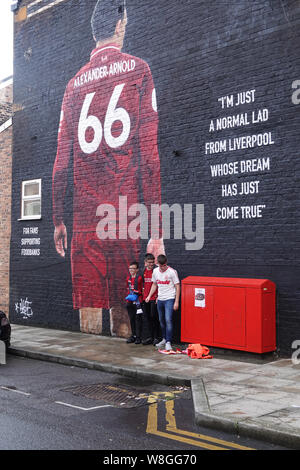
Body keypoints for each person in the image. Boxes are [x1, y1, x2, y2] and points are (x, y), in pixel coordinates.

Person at [52, 0, 164, 337]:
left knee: (87, 308)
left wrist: (58, 218)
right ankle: (123, 365)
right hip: (121, 216)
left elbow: (60, 165)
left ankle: (79, 384)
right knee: (123, 310)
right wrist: (156, 230)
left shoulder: (72, 86)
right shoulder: (139, 70)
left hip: (85, 218)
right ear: (119, 25)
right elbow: (150, 157)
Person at [145, 254, 180, 351]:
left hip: (170, 298)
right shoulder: (155, 271)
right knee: (161, 320)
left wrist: (176, 301)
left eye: (164, 265)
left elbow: (177, 286)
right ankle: (164, 339)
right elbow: (154, 284)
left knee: (168, 319)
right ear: (158, 264)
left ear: (166, 263)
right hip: (160, 299)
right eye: (161, 266)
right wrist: (149, 296)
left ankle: (168, 342)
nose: (163, 268)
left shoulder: (172, 272)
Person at [141, 253, 161, 345]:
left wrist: (158, 296)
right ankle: (150, 337)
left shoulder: (156, 271)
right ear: (145, 262)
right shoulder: (143, 272)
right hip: (146, 299)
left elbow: (159, 284)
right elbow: (142, 285)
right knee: (147, 318)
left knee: (154, 317)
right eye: (149, 262)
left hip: (154, 298)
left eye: (152, 262)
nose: (151, 264)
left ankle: (157, 337)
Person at [125, 262, 143, 344]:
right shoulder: (128, 278)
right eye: (130, 268)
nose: (131, 270)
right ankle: (133, 335)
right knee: (131, 319)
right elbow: (128, 289)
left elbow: (142, 290)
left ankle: (139, 337)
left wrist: (137, 293)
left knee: (138, 319)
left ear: (137, 269)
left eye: (133, 268)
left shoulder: (139, 278)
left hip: (138, 302)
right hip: (130, 301)